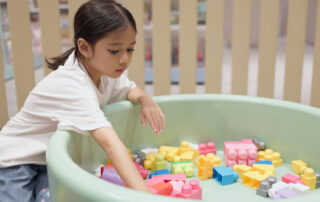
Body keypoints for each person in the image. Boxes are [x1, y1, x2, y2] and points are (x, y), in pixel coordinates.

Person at [0, 0, 165, 201]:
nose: (124, 59)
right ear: (84, 47)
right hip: (15, 161)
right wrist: (147, 197)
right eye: (114, 51)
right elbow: (112, 145)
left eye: (130, 49)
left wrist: (144, 100)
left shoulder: (103, 72)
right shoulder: (72, 86)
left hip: (48, 160)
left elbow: (129, 89)